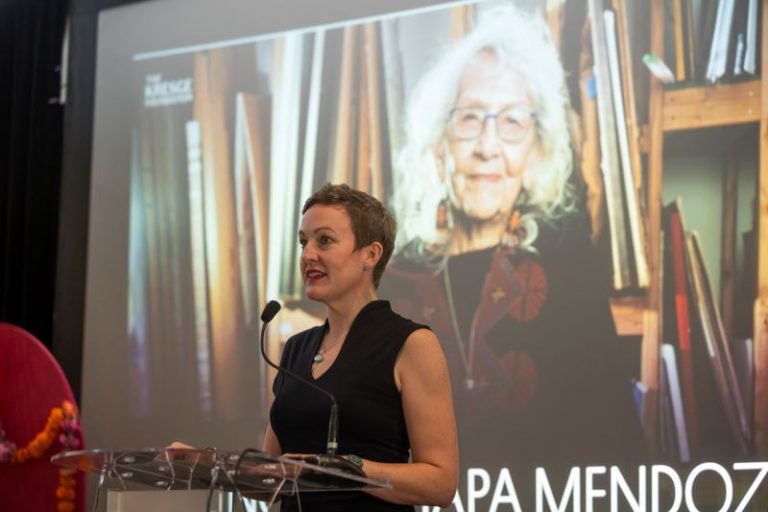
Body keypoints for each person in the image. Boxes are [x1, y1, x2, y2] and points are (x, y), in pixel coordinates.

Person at [382, 1, 646, 494]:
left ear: (537, 150)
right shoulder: (391, 278)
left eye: (512, 123)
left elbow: (615, 450)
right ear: (438, 142)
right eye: (469, 119)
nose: (487, 146)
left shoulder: (569, 274)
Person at [262, 183, 458, 511]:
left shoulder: (411, 344)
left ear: (370, 254)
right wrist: (205, 465)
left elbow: (440, 484)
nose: (308, 254)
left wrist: (343, 469)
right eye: (303, 242)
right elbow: (269, 479)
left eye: (324, 240)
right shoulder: (295, 349)